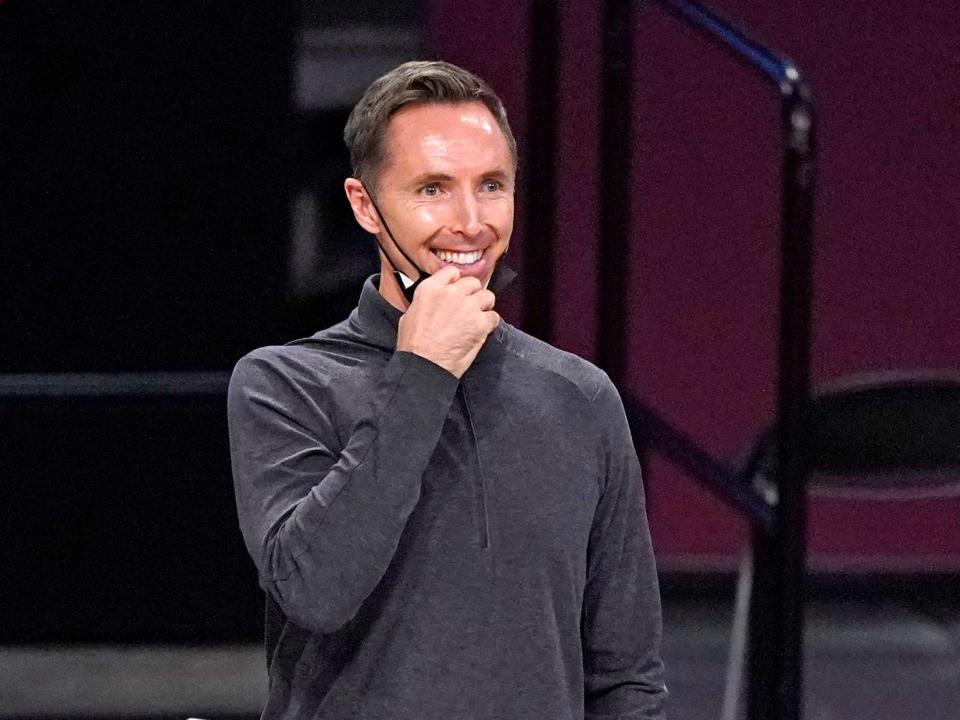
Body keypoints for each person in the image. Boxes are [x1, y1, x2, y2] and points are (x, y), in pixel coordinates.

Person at [227, 60, 667, 720]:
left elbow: (627, 674)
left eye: (491, 186)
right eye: (433, 189)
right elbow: (316, 589)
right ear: (364, 205)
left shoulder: (580, 398)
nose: (470, 222)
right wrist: (423, 372)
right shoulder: (284, 385)